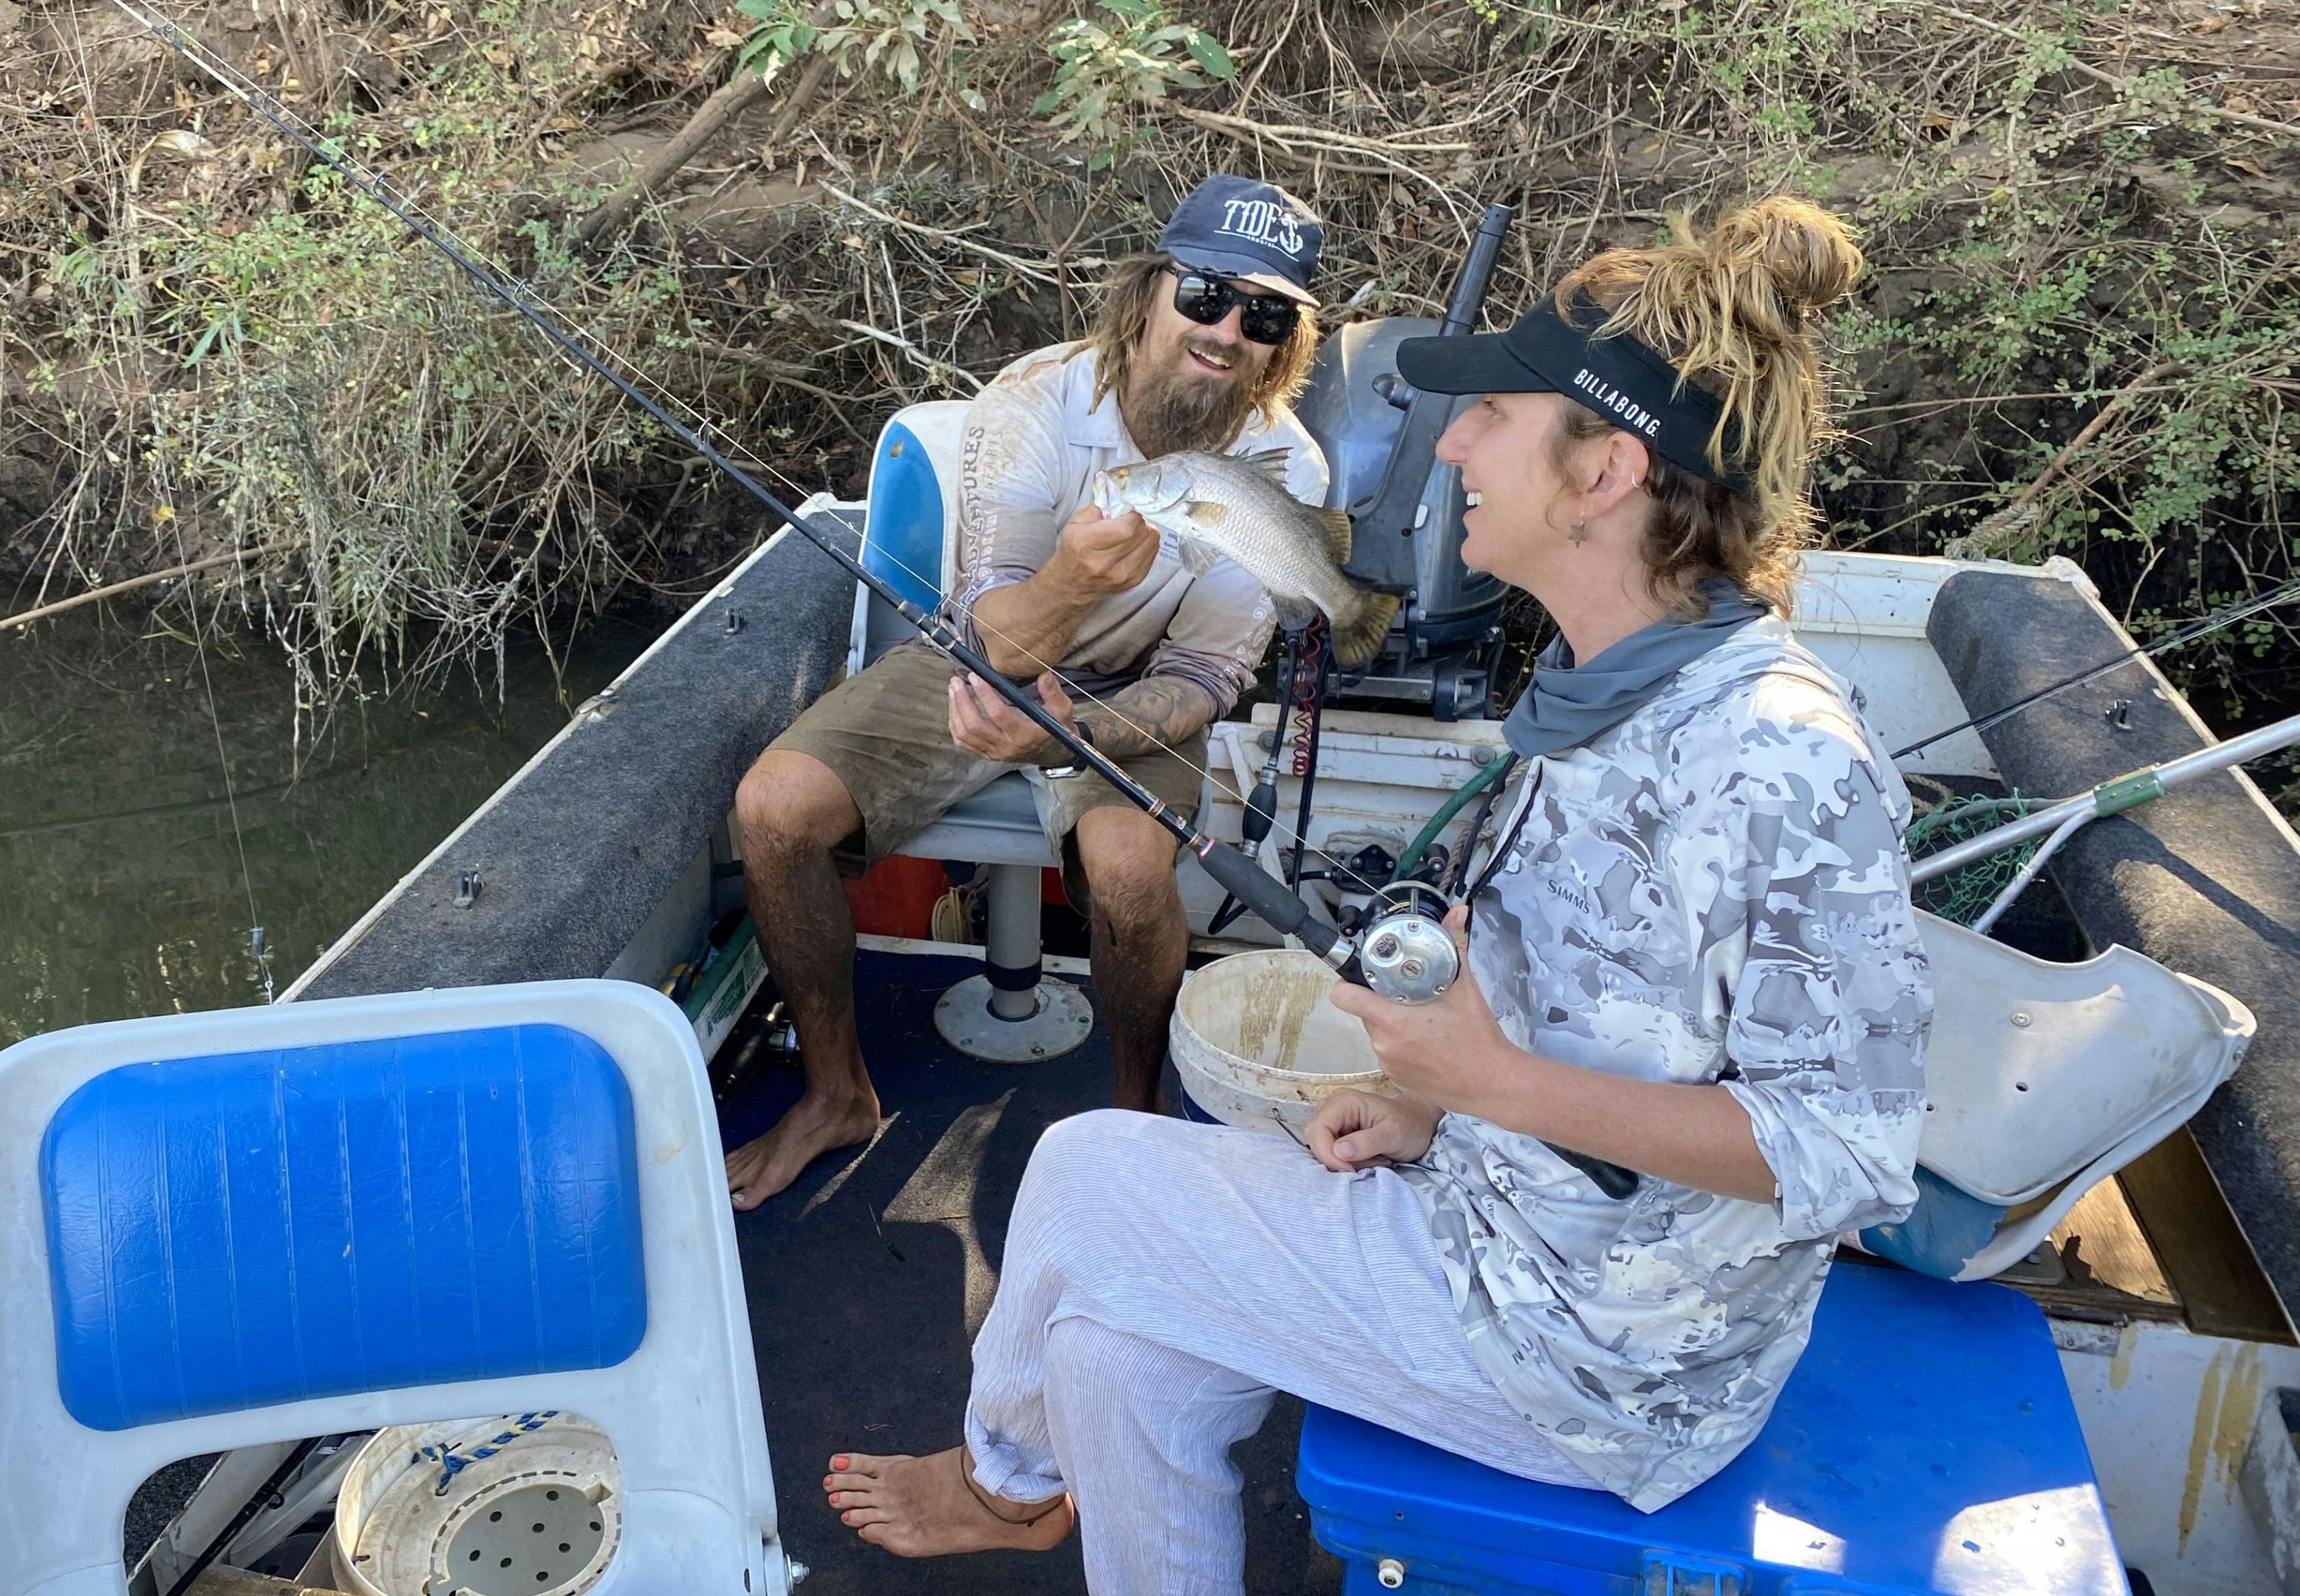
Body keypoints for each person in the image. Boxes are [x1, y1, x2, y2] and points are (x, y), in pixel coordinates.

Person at [819, 195, 1933, 1590]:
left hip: (1601, 1352)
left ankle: (1000, 1480)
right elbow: (1602, 1021)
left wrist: (1490, 1084)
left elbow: (1851, 1154)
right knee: (1109, 1352)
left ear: (1604, 475)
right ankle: (1064, 1491)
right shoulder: (1602, 689)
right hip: (1488, 1213)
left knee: (1086, 1173)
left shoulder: (1778, 763)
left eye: (1494, 418)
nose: (1450, 443)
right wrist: (1429, 1104)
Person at [724, 176, 1333, 1210]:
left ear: (1286, 342)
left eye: (1265, 315)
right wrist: (1072, 585)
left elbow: (1202, 678)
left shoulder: (1285, 467)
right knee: (770, 810)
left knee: (1136, 876)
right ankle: (837, 1095)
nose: (1228, 330)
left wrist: (1064, 737)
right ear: (1150, 290)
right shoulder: (1031, 402)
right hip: (991, 659)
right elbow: (993, 631)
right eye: (1205, 295)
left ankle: (1136, 1123)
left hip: (1139, 694)